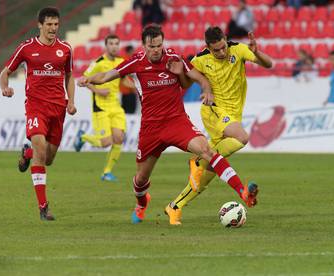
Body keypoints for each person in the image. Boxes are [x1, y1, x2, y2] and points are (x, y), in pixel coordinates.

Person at [77, 24, 258, 224]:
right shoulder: (135, 62)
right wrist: (88, 79)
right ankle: (142, 203)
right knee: (140, 179)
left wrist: (207, 90)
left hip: (176, 121)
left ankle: (242, 191)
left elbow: (200, 78)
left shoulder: (173, 58)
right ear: (144, 46)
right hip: (151, 128)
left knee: (207, 150)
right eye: (152, 46)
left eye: (159, 45)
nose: (156, 50)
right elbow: (106, 75)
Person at [166, 26, 272, 225]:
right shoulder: (200, 60)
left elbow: (269, 64)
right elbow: (186, 83)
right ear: (208, 47)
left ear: (226, 40)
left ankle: (175, 206)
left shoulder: (239, 50)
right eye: (216, 50)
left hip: (232, 116)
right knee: (242, 138)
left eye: (223, 47)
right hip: (213, 110)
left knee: (207, 174)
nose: (222, 52)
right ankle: (198, 160)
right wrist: (182, 73)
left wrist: (257, 52)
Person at [0, 7, 76, 221]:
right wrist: (4, 87)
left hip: (58, 109)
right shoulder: (26, 48)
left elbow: (70, 76)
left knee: (47, 158)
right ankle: (43, 207)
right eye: (49, 24)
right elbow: (6, 72)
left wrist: (71, 102)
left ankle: (28, 154)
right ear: (40, 25)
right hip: (35, 106)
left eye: (56, 24)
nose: (53, 28)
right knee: (41, 147)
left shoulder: (66, 49)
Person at [73, 34, 127, 182]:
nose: (114, 46)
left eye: (117, 43)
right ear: (106, 46)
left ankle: (107, 172)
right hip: (101, 107)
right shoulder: (98, 62)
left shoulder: (121, 62)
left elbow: (126, 81)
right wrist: (98, 90)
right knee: (105, 143)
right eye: (111, 43)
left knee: (119, 138)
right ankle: (82, 136)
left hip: (116, 107)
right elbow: (81, 80)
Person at [120, 45, 138, 114]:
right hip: (129, 90)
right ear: (129, 51)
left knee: (125, 111)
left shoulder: (124, 60)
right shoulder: (129, 61)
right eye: (133, 51)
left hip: (126, 90)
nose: (133, 53)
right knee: (130, 111)